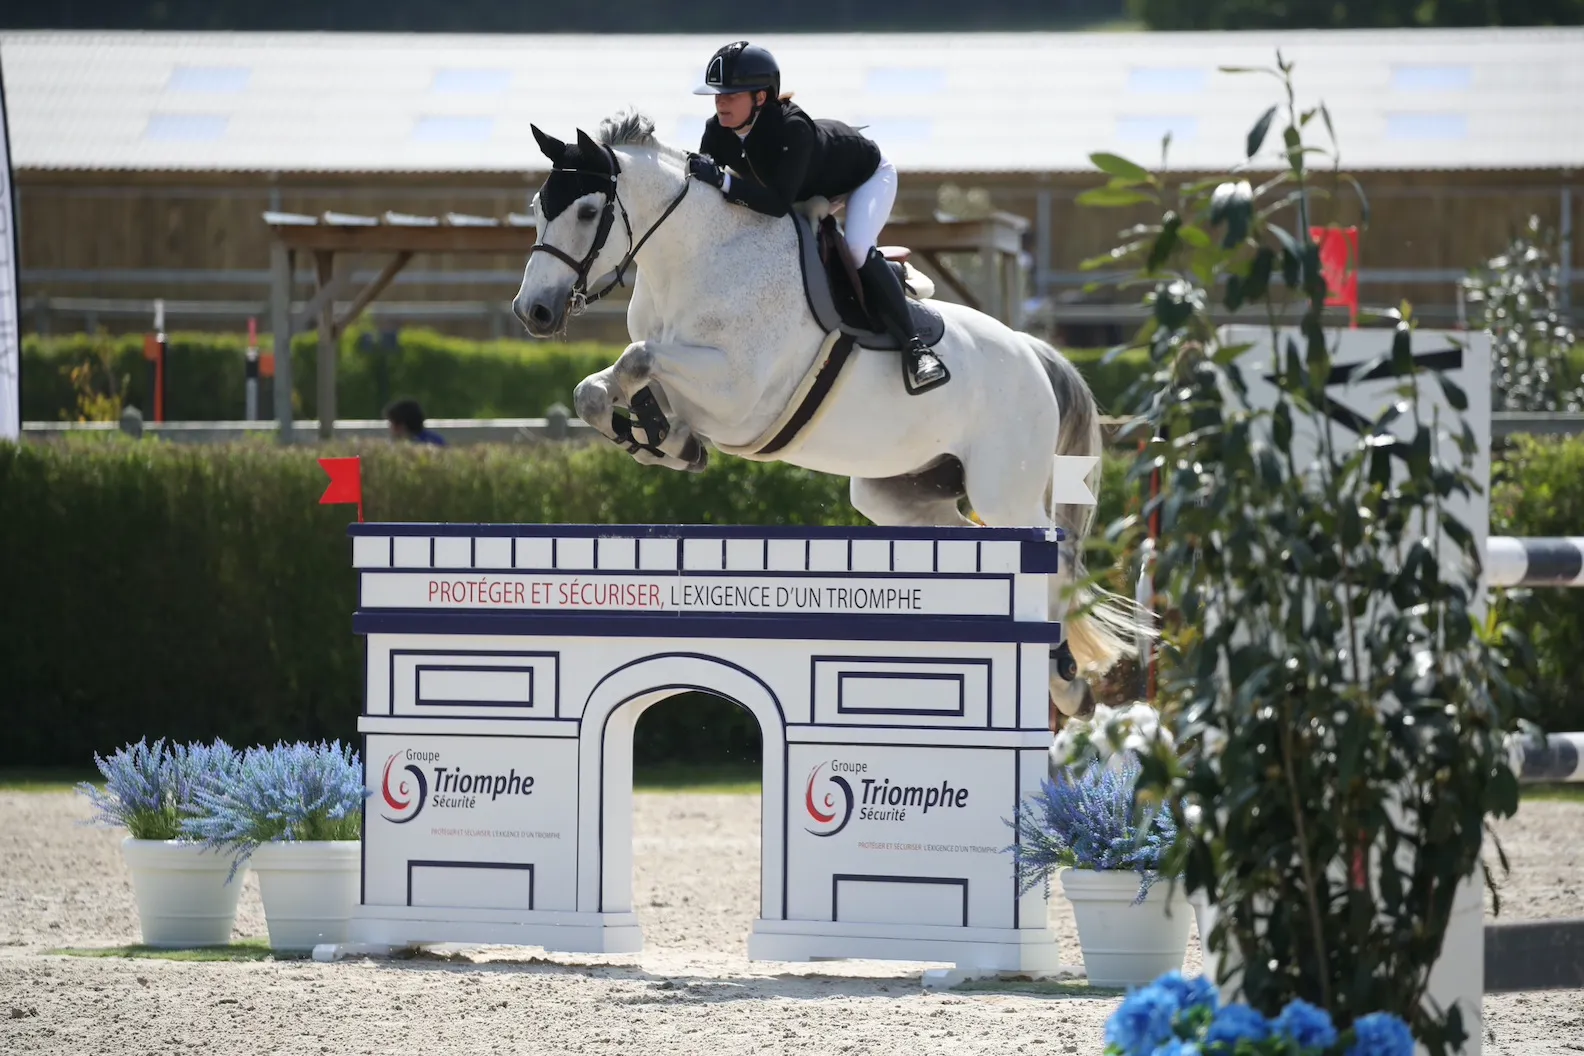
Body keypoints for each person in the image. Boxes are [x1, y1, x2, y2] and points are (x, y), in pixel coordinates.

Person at [688, 41, 949, 396]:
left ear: (761, 98)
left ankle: (917, 348)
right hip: (804, 190)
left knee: (856, 248)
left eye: (732, 95)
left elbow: (777, 203)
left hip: (864, 177)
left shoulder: (792, 127)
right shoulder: (717, 130)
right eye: (718, 95)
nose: (721, 102)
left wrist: (722, 179)